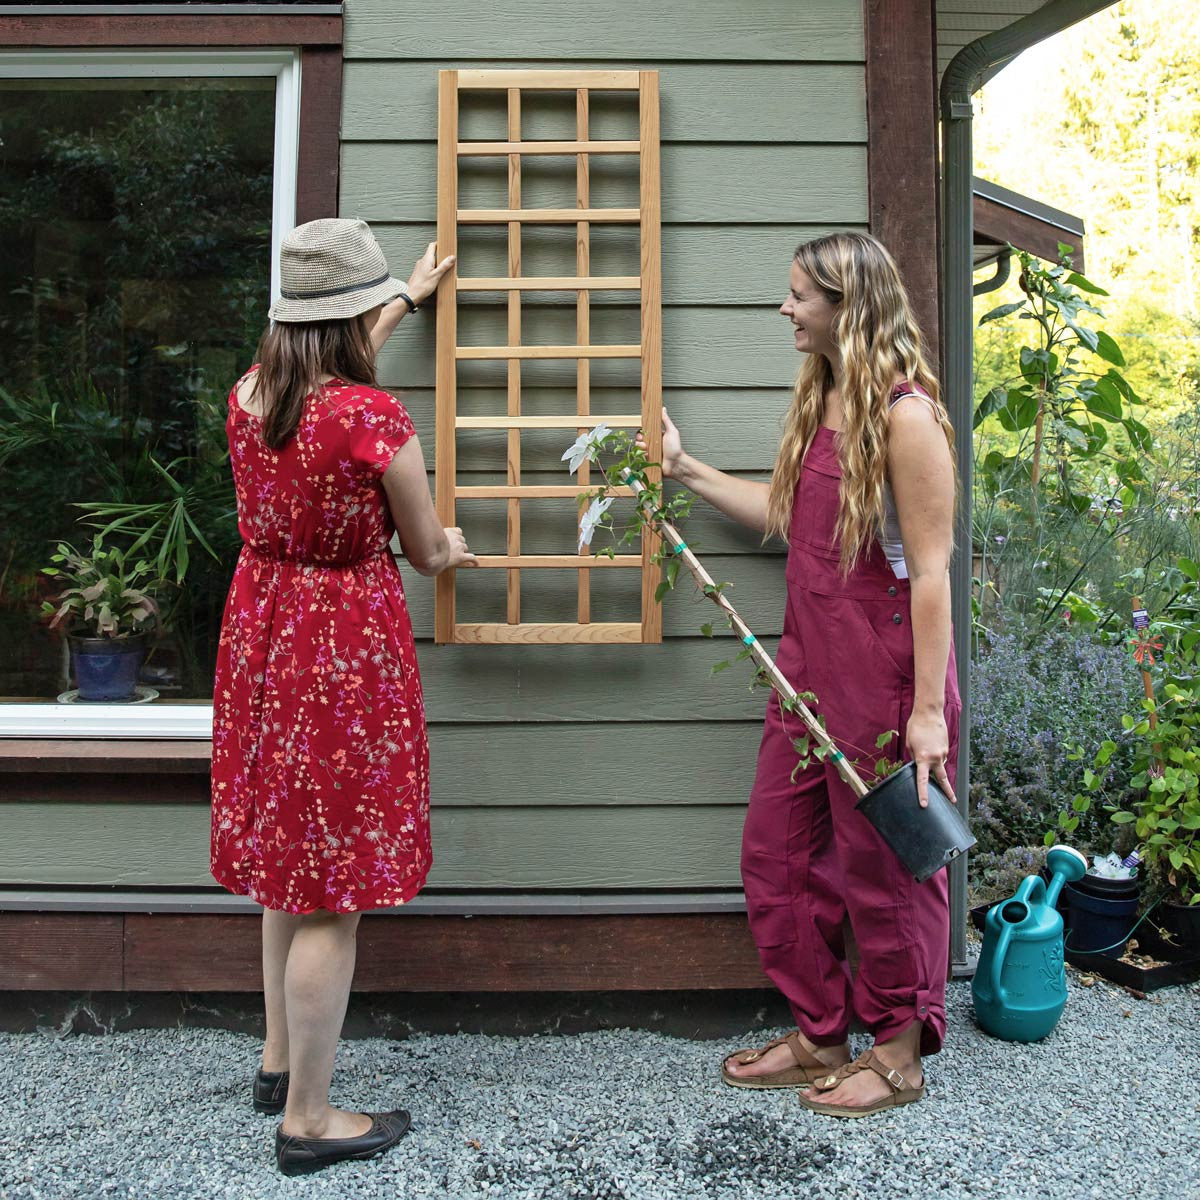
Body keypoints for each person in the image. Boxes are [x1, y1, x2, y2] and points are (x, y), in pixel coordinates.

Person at [642, 232, 959, 1118]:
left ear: (845, 306)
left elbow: (932, 571)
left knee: (886, 868)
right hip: (807, 671)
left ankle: (899, 1053)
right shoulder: (824, 397)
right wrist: (686, 468)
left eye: (798, 296)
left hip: (887, 675)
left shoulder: (906, 416)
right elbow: (787, 518)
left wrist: (927, 713)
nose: (784, 309)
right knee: (776, 854)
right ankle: (821, 1030)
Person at [209, 218, 474, 1175]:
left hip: (262, 633)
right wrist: (454, 551)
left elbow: (328, 371)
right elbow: (426, 546)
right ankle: (310, 1121)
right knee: (334, 890)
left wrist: (406, 291)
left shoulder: (250, 393)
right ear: (353, 318)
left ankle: (279, 1064)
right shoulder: (375, 419)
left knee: (290, 857)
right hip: (340, 650)